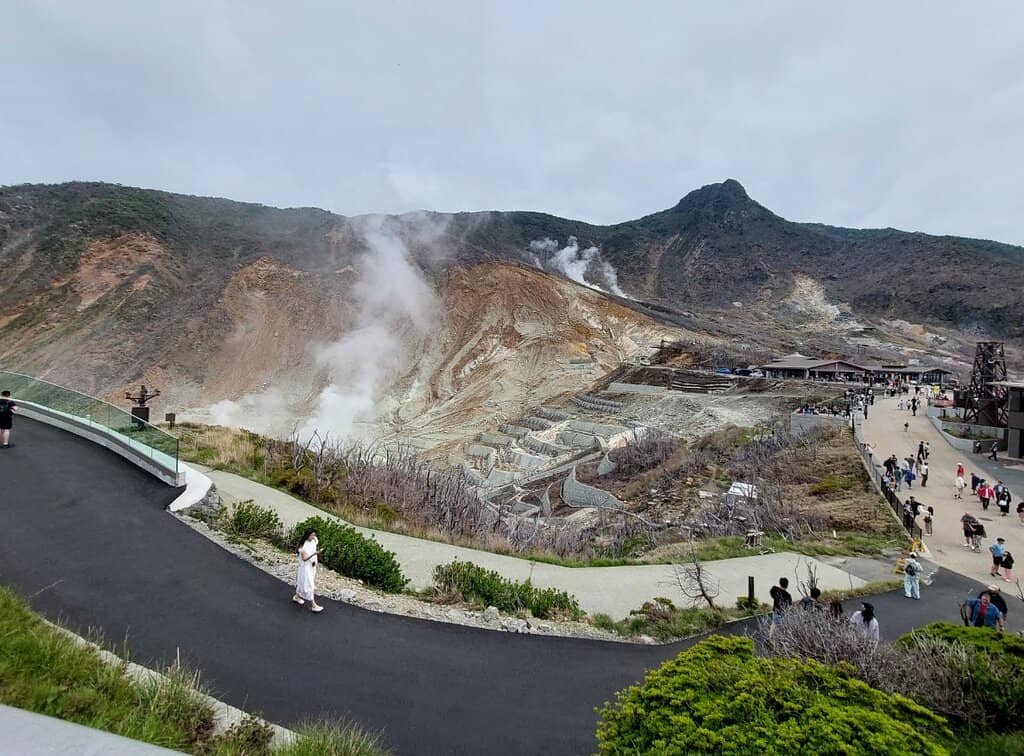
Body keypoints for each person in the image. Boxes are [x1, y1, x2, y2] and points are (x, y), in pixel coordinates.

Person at [293, 528, 324, 612]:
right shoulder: (303, 546)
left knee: (303, 581)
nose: (314, 537)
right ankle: (313, 605)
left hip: (312, 566)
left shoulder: (314, 540)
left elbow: (316, 542)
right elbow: (304, 558)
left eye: (314, 535)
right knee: (310, 584)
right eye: (312, 535)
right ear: (307, 536)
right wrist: (314, 554)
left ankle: (297, 596)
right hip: (305, 567)